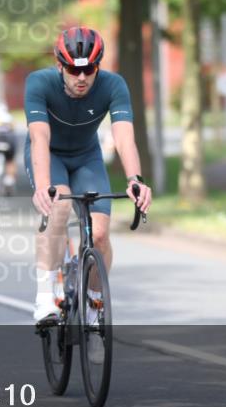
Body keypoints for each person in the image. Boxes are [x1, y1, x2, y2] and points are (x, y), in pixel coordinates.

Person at [24, 27, 153, 323]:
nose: (81, 78)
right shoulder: (39, 83)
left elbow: (123, 137)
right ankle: (44, 298)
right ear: (60, 65)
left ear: (99, 66)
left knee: (99, 234)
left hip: (86, 156)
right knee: (59, 208)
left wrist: (135, 180)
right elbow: (40, 137)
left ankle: (95, 305)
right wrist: (44, 186)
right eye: (73, 69)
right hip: (50, 154)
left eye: (89, 69)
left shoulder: (114, 85)